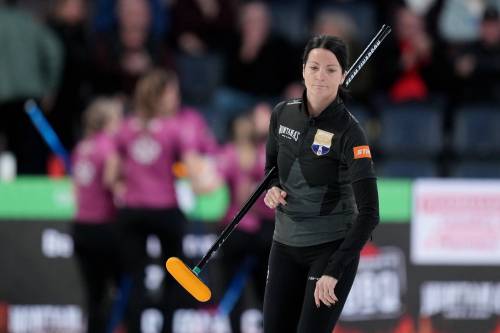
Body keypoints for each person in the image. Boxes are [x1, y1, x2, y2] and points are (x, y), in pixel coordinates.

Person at [262, 35, 380, 332]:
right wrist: (271, 189)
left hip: (330, 250)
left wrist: (335, 269)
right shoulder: (281, 114)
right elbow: (271, 171)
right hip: (284, 246)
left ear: (343, 75)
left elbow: (369, 214)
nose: (320, 76)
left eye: (330, 69)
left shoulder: (351, 133)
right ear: (303, 70)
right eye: (313, 67)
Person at [71, 97, 123, 333]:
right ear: (108, 122)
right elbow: (111, 183)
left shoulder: (82, 147)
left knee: (93, 294)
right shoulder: (109, 148)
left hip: (80, 226)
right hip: (103, 226)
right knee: (122, 285)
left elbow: (75, 191)